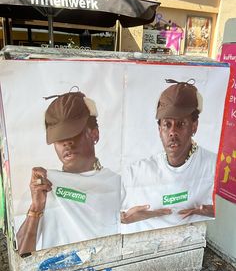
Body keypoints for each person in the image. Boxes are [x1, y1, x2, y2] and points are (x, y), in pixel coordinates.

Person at [16, 89, 120, 254]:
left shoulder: (117, 184)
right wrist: (36, 208)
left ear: (94, 134)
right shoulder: (45, 187)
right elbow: (21, 257)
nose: (66, 143)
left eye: (74, 133)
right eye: (59, 138)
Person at [121, 79, 216, 234]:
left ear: (194, 126)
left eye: (181, 124)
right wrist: (123, 218)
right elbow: (101, 214)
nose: (172, 132)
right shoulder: (136, 172)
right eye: (167, 124)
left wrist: (218, 213)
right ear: (159, 129)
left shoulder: (214, 167)